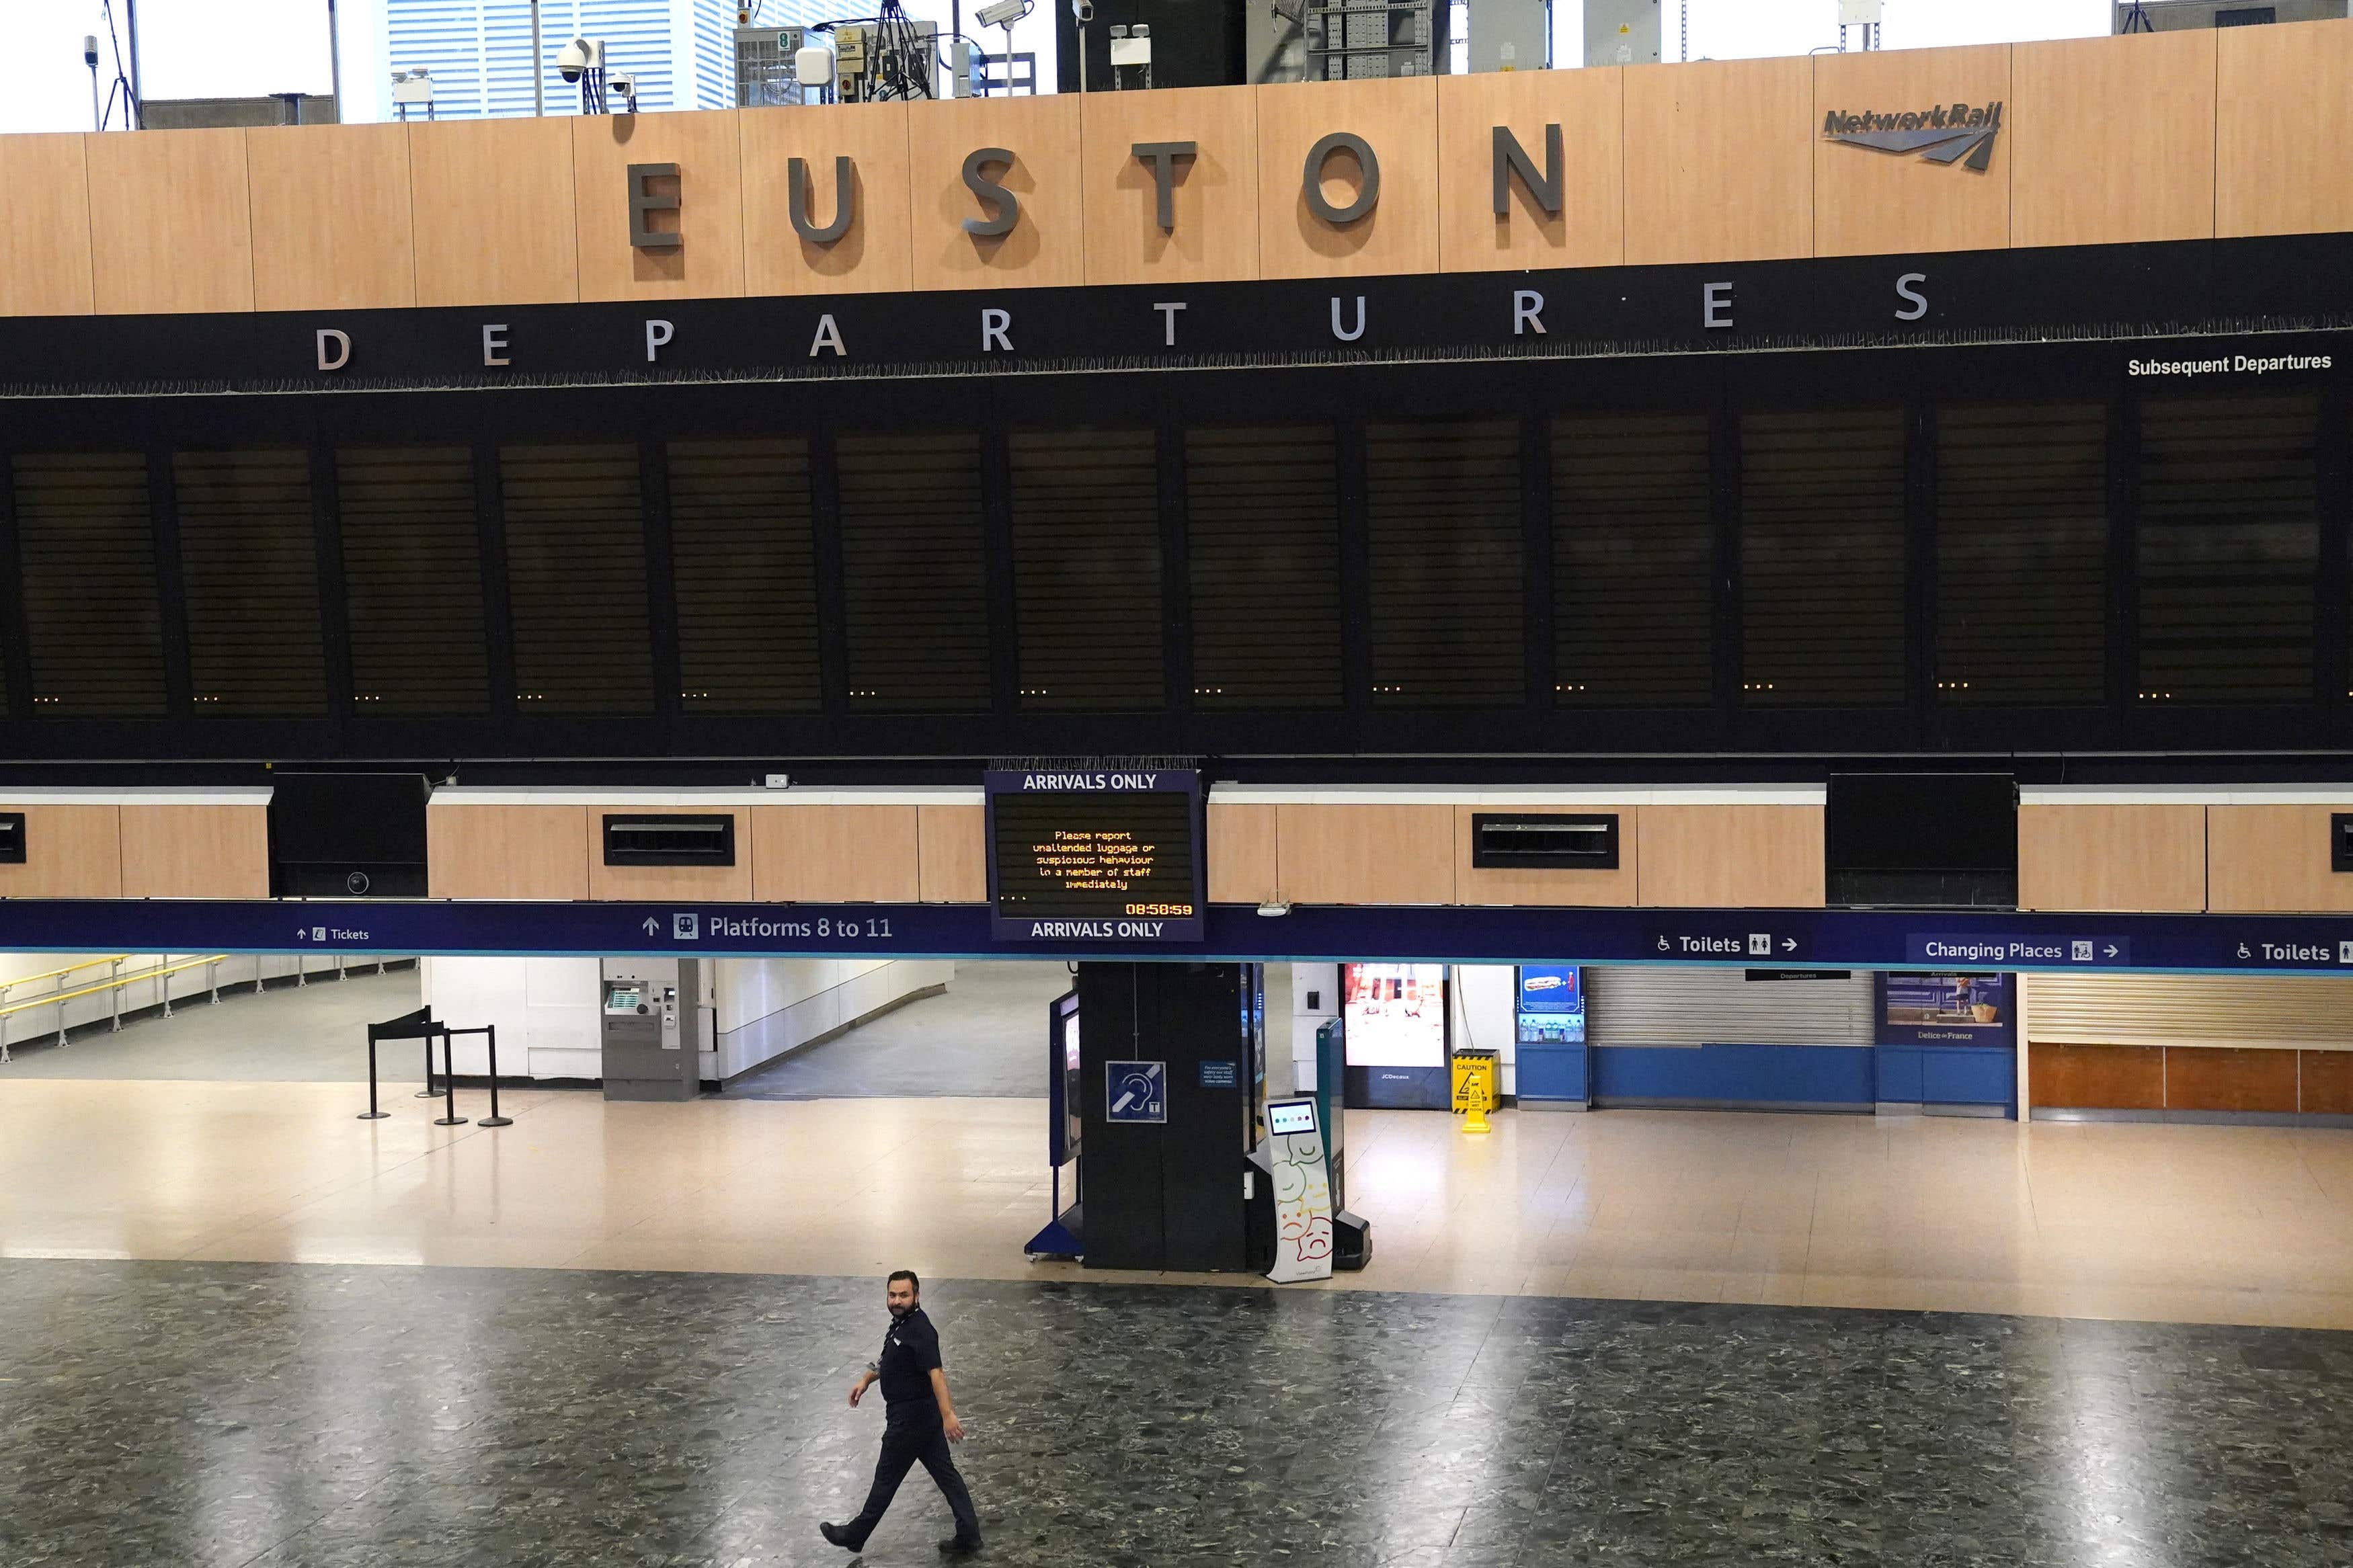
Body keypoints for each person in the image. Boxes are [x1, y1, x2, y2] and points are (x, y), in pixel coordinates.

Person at [820, 1269, 984, 1557]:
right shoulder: (901, 1325)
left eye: (904, 1295)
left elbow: (937, 1375)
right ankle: (969, 1534)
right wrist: (866, 1380)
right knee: (947, 1476)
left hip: (910, 1419)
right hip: (922, 1419)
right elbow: (888, 1361)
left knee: (886, 1479)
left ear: (917, 1296)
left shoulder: (921, 1329)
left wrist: (948, 1415)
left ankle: (856, 1535)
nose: (897, 1300)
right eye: (892, 1295)